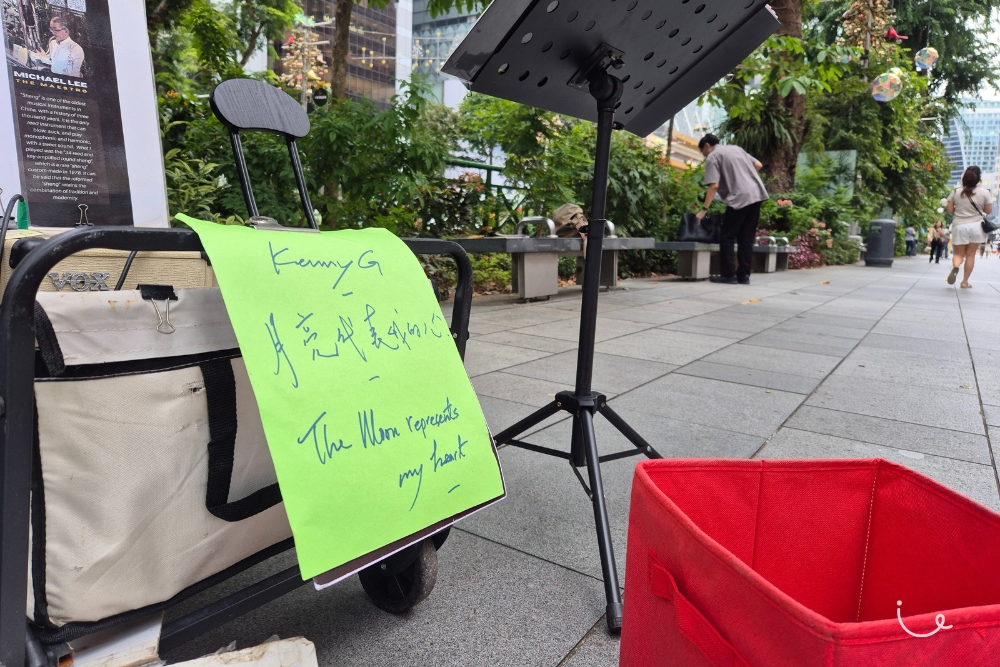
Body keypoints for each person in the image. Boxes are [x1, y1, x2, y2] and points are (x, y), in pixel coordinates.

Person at [696, 134, 769, 285]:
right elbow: (758, 165)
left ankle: (728, 275)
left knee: (727, 236)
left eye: (702, 151)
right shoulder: (736, 149)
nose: (704, 154)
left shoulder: (713, 156)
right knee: (746, 237)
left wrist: (703, 210)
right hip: (756, 194)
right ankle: (743, 275)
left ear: (707, 145)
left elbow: (714, 185)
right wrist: (742, 176)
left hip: (740, 197)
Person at [945, 166, 992, 288]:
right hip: (976, 227)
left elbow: (949, 211)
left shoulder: (955, 192)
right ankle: (965, 281)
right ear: (978, 179)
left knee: (958, 254)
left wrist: (959, 207)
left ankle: (956, 267)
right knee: (971, 254)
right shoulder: (985, 193)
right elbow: (988, 210)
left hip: (959, 226)